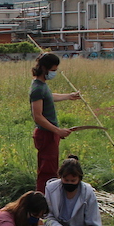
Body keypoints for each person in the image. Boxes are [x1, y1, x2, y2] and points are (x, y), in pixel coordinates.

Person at [29, 52, 83, 192]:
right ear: (44, 68)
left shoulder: (42, 86)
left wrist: (69, 96)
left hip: (50, 134)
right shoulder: (37, 88)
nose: (54, 73)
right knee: (47, 172)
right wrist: (58, 131)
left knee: (52, 169)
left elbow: (48, 96)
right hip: (46, 135)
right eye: (53, 70)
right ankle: (43, 199)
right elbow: (37, 116)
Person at [41, 156, 102, 226]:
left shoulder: (88, 193)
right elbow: (48, 216)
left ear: (79, 179)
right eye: (66, 180)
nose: (69, 183)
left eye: (73, 181)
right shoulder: (51, 189)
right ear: (60, 177)